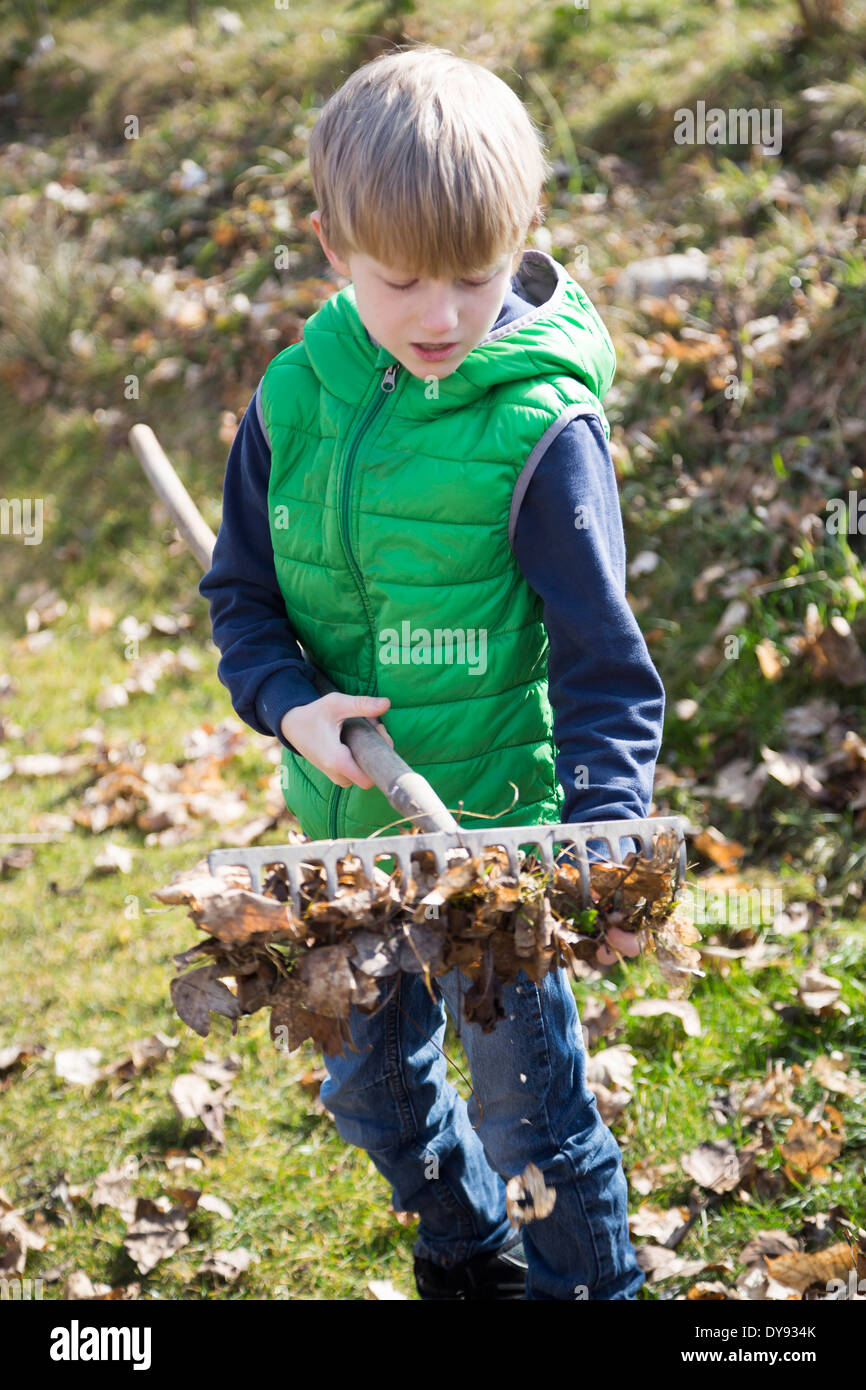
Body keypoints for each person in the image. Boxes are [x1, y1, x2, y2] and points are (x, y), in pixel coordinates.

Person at [199, 45, 666, 1300]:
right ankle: (465, 1248)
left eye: (472, 275)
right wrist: (290, 708)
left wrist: (602, 844)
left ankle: (591, 1291)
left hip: (493, 845)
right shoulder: (290, 402)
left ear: (521, 239)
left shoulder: (543, 431)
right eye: (401, 279)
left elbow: (602, 668)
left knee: (532, 1123)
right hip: (344, 841)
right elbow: (239, 601)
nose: (443, 315)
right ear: (330, 247)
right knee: (368, 1094)